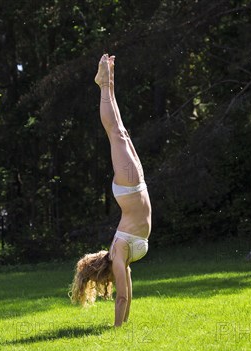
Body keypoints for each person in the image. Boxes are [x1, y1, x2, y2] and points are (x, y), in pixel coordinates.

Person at [70, 54, 152, 327]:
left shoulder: (118, 252)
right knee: (121, 133)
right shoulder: (121, 259)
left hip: (129, 189)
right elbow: (125, 298)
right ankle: (107, 82)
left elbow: (122, 298)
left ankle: (106, 83)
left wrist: (116, 329)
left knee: (117, 133)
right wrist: (121, 327)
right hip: (135, 187)